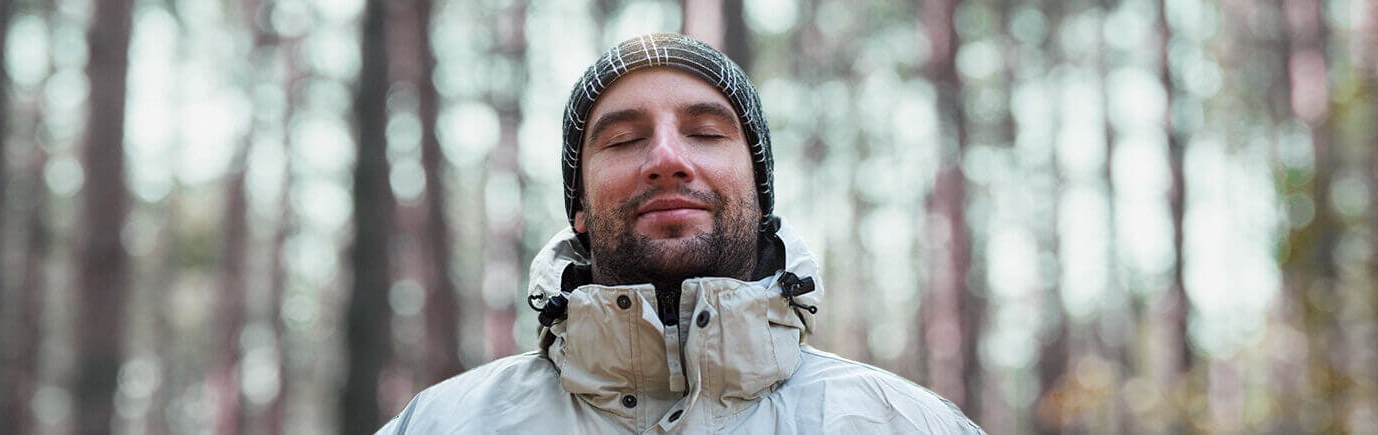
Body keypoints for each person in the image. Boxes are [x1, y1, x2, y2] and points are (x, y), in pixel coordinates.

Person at [377, 33, 983, 434]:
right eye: (622, 139)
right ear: (580, 208)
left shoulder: (905, 424)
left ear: (759, 192)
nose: (666, 158)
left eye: (707, 133)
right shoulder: (442, 424)